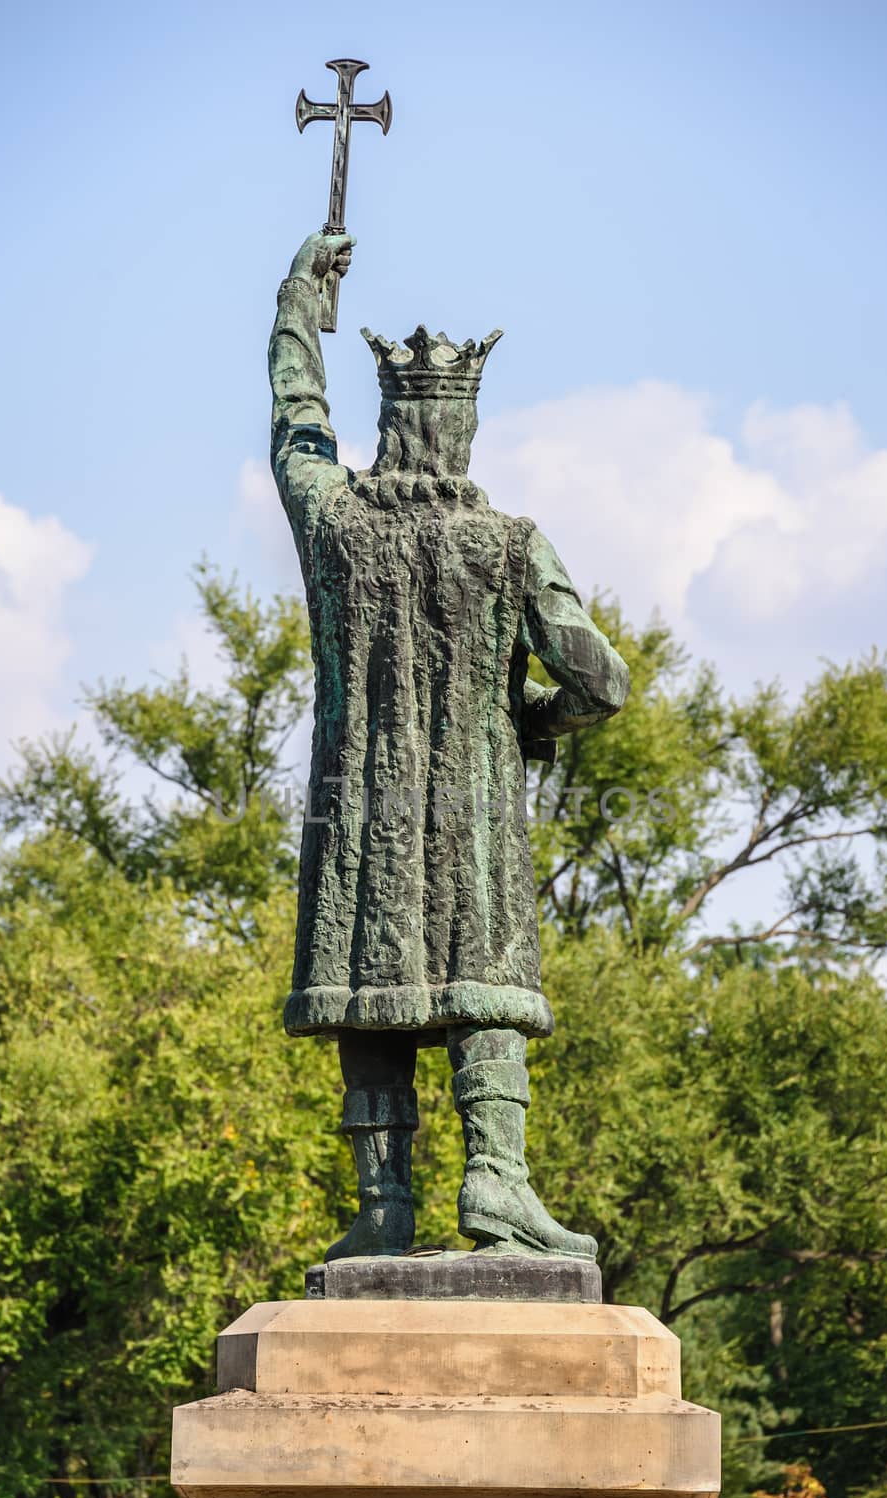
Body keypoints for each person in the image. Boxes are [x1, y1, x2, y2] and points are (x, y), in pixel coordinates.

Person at [269, 231, 630, 1261]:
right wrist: (527, 726)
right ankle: (496, 1182)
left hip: (362, 820)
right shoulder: (510, 544)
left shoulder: (337, 522)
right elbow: (601, 680)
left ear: (390, 427)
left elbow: (296, 428)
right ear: (463, 429)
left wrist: (302, 303)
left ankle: (384, 1201)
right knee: (483, 980)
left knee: (372, 986)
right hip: (473, 818)